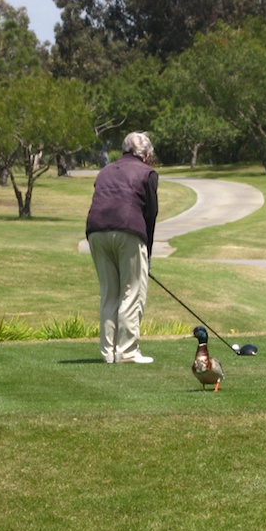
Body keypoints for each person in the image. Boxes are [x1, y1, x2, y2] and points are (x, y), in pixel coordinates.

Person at [85, 132, 159, 364]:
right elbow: (151, 214)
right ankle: (127, 352)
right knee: (131, 291)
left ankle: (109, 353)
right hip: (128, 229)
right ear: (146, 155)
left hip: (96, 231)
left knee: (110, 292)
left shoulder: (105, 170)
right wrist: (148, 251)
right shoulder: (147, 173)